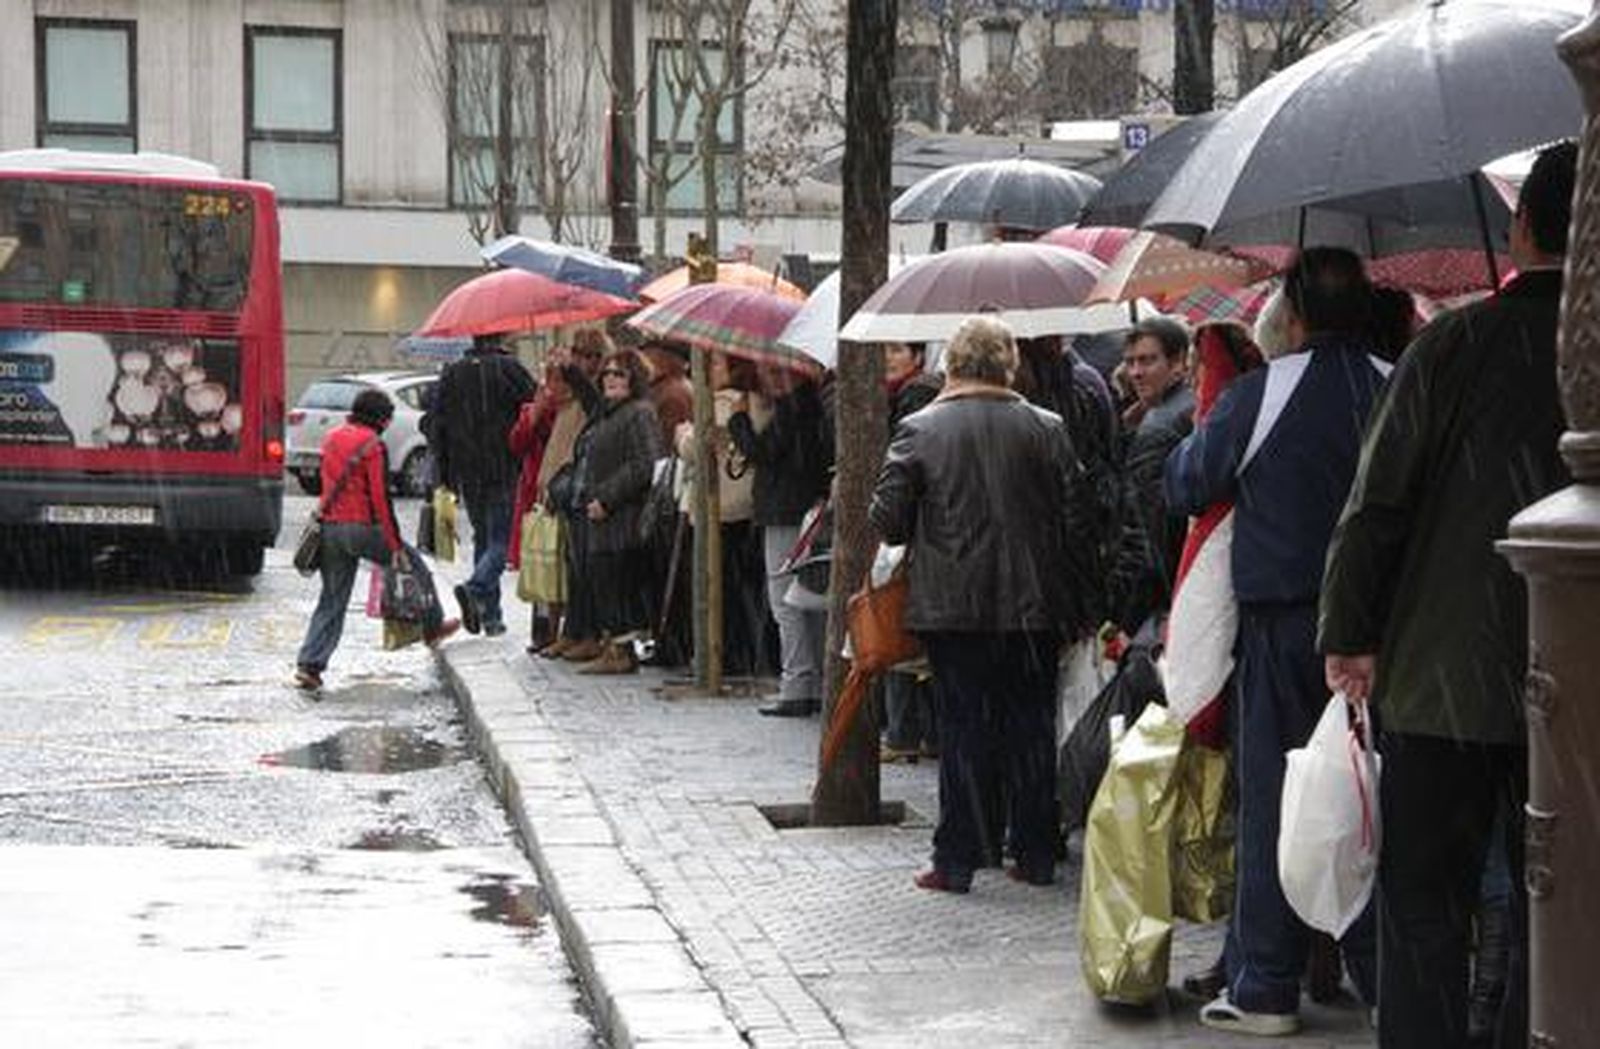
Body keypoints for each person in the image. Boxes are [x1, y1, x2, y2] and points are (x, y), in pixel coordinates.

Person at [1320, 141, 1576, 1049]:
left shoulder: (1452, 347)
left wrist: (1349, 631)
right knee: (1566, 906)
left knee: (1428, 904)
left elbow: (1376, 505)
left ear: (1519, 229)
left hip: (1444, 676)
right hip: (1577, 691)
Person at [1164, 247, 1389, 1036]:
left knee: (1272, 802)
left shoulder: (1261, 393)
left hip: (1281, 624)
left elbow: (1189, 482)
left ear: (1292, 312)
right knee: (1367, 799)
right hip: (1378, 631)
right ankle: (1381, 972)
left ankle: (1266, 982)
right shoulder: (1394, 384)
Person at [870, 315, 1095, 894]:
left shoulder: (919, 429)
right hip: (1033, 607)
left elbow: (889, 522)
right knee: (1030, 727)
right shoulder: (1047, 427)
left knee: (962, 730)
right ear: (1009, 364)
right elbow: (1079, 519)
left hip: (952, 608)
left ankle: (959, 857)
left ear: (952, 363)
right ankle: (1037, 851)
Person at [295, 389, 458, 690]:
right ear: (381, 419)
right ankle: (433, 628)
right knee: (417, 567)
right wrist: (395, 546)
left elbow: (327, 483)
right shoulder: (373, 445)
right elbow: (381, 499)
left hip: (331, 529)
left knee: (332, 599)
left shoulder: (333, 438)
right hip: (363, 528)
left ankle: (310, 664)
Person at [728, 368, 832, 717]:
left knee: (785, 598)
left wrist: (739, 420)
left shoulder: (794, 408)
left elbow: (763, 452)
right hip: (802, 507)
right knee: (806, 597)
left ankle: (798, 683)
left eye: (773, 370)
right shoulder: (812, 405)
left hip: (785, 510)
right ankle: (812, 681)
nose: (766, 378)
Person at [422, 331, 536, 637]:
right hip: (504, 466)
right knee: (501, 540)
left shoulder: (454, 373)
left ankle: (490, 616)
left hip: (467, 470)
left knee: (484, 538)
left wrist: (445, 475)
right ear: (500, 337)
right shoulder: (510, 368)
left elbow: (438, 424)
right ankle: (475, 590)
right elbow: (534, 409)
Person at [562, 346, 662, 675]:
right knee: (604, 580)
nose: (610, 379)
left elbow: (644, 463)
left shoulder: (639, 412)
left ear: (635, 378)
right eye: (607, 372)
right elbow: (591, 402)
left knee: (617, 582)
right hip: (604, 516)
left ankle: (620, 651)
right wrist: (571, 373)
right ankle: (614, 646)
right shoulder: (611, 411)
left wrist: (607, 498)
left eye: (619, 373)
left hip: (623, 516)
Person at [673, 352, 767, 676]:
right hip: (733, 504)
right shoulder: (746, 401)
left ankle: (725, 655)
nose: (707, 371)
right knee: (732, 587)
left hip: (725, 506)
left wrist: (685, 434)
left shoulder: (727, 402)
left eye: (713, 364)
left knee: (722, 587)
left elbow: (691, 448)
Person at [1108, 317, 1194, 637]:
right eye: (1129, 362)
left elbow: (1149, 534)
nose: (1135, 372)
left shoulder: (1159, 427)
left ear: (1178, 364)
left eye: (1147, 360)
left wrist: (1123, 618)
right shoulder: (1182, 409)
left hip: (1165, 598)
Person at [879, 342, 943, 763]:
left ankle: (905, 732)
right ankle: (922, 734)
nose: (888, 355)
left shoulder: (915, 398)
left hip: (923, 544)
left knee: (900, 638)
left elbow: (894, 503)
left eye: (898, 349)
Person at [537, 331, 605, 660]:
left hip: (582, 487)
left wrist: (571, 371)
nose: (584, 360)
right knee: (570, 565)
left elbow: (592, 403)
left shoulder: (594, 394)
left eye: (591, 355)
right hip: (564, 485)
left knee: (583, 567)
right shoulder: (566, 396)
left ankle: (585, 633)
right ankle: (570, 631)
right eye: (579, 353)